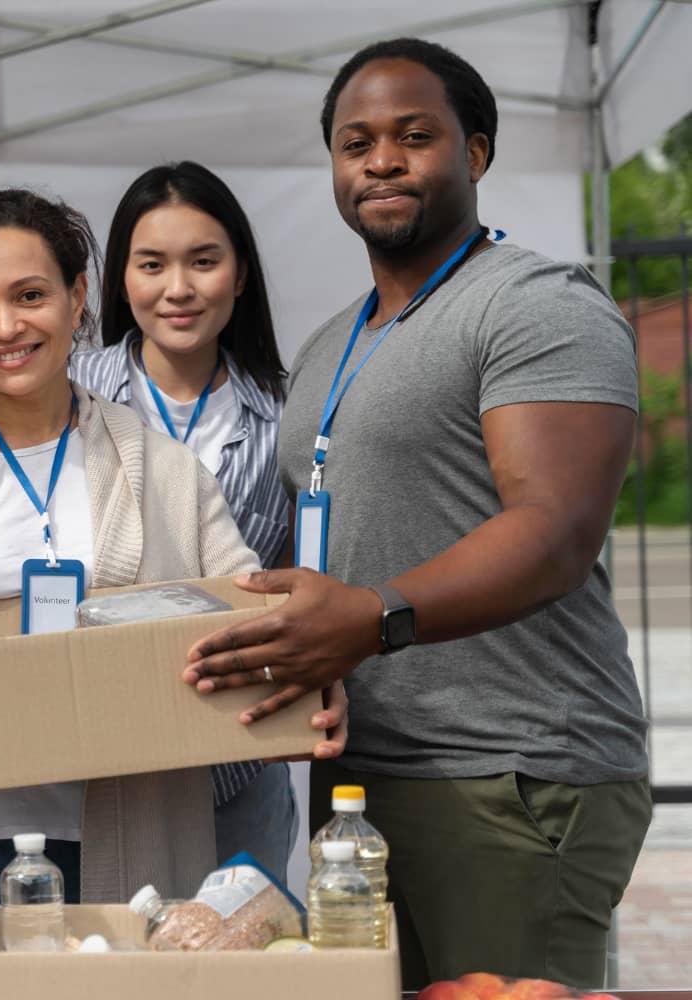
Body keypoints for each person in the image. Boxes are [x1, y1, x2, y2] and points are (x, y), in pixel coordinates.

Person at [0, 188, 348, 1000]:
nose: (6, 327)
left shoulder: (163, 471)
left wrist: (304, 684)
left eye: (30, 296)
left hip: (134, 846)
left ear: (79, 296)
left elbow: (252, 614)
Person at [183, 37, 651, 990]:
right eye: (355, 144)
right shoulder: (327, 345)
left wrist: (372, 618)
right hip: (364, 777)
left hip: (510, 771)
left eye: (414, 136)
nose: (381, 161)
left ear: (475, 153)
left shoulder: (535, 305)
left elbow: (555, 532)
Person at [70, 161, 297, 878]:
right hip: (98, 743)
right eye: (152, 264)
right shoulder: (64, 398)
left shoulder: (290, 415)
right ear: (121, 279)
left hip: (240, 745)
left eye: (203, 261)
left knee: (240, 967)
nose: (178, 288)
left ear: (241, 274)